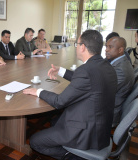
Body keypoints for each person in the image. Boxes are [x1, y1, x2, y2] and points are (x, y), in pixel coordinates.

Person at [23, 30, 117, 159]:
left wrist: (38, 91)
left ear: (83, 47)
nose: (77, 47)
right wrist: (60, 71)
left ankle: (72, 156)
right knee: (55, 121)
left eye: (77, 44)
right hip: (100, 128)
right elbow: (87, 81)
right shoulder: (106, 66)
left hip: (84, 133)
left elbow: (59, 101)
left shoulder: (86, 70)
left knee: (35, 141)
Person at [105, 37, 134, 127]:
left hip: (109, 113)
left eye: (110, 47)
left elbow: (103, 91)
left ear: (120, 50)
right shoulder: (122, 62)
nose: (106, 50)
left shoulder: (120, 70)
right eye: (106, 47)